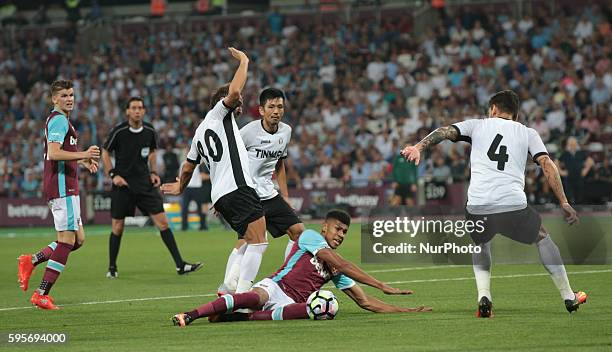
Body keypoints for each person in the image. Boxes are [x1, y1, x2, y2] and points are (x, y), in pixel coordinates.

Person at [401, 90, 587, 317]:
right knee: (542, 238)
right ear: (515, 114)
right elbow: (547, 164)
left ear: (494, 109)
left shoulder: (478, 125)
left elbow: (444, 132)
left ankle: (484, 296)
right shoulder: (528, 133)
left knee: (480, 243)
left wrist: (418, 147)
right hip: (512, 204)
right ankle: (568, 296)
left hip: (477, 204)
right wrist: (564, 202)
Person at [172, 209, 431, 326]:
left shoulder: (335, 270)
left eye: (345, 232)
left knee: (318, 310)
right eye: (337, 229)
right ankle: (191, 314)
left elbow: (365, 303)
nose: (341, 235)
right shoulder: (309, 237)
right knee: (255, 297)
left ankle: (236, 317)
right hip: (276, 287)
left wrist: (404, 309)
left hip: (290, 304)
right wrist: (382, 284)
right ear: (324, 228)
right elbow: (341, 263)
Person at [161, 47, 268, 294]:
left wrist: (179, 186)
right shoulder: (220, 114)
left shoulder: (199, 133)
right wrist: (244, 61)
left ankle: (228, 287)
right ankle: (242, 296)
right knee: (260, 241)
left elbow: (188, 166)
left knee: (245, 239)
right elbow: (235, 91)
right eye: (237, 103)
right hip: (238, 187)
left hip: (219, 195)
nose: (240, 104)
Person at [17, 80, 100, 309]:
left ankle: (31, 260)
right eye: (64, 95)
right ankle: (41, 293)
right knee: (67, 241)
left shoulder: (62, 121)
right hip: (62, 187)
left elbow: (60, 153)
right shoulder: (59, 120)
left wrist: (81, 161)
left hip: (67, 185)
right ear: (54, 99)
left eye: (71, 94)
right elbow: (53, 153)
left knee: (78, 240)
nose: (69, 99)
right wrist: (83, 152)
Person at [102, 97, 201, 278]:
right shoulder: (119, 131)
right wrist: (113, 175)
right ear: (127, 111)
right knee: (117, 227)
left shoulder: (149, 131)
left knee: (163, 222)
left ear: (144, 111)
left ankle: (180, 265)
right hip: (123, 184)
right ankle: (112, 268)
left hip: (144, 183)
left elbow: (153, 152)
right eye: (133, 108)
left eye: (140, 107)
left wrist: (154, 172)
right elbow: (105, 151)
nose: (137, 111)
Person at [218, 87, 305, 295]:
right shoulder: (248, 132)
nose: (276, 111)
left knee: (299, 233)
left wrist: (285, 195)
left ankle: (288, 279)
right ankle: (230, 287)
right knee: (249, 240)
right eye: (271, 107)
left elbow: (279, 165)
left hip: (269, 192)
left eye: (280, 107)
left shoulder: (286, 131)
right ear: (261, 110)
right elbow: (227, 160)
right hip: (246, 194)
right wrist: (224, 191)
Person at [181, 163, 210, 231]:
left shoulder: (198, 164)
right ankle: (184, 226)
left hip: (197, 187)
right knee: (185, 207)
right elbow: (181, 175)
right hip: (187, 187)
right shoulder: (184, 164)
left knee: (200, 208)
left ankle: (202, 225)